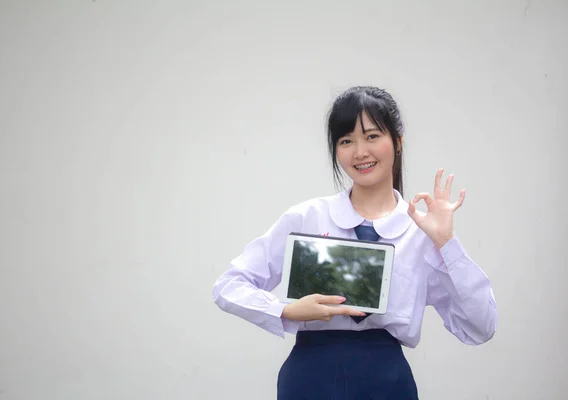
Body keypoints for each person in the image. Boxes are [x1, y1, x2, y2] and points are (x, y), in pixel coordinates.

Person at [212, 86, 497, 399]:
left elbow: (480, 327)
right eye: (346, 141)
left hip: (386, 380)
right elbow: (229, 286)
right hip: (309, 377)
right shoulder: (307, 217)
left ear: (397, 142)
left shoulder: (422, 231)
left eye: (372, 136)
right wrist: (285, 310)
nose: (360, 152)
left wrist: (446, 243)